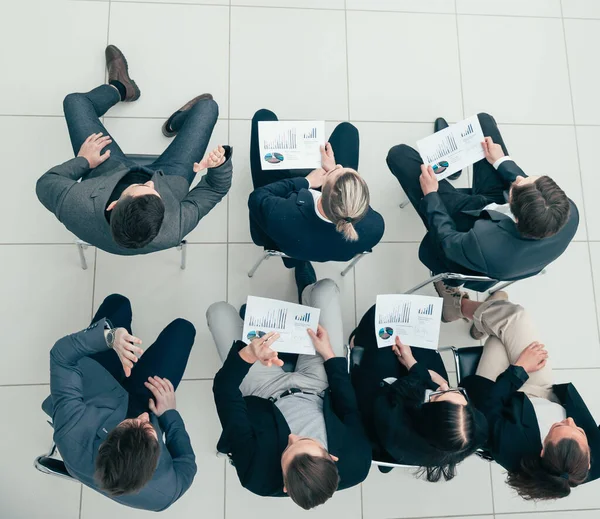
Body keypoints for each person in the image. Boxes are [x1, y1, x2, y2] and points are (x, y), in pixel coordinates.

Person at [36, 45, 232, 255]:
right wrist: (217, 165)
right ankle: (174, 124)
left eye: (141, 186)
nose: (150, 181)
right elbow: (215, 188)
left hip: (106, 169)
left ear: (112, 205)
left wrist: (84, 161)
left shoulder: (74, 206)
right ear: (163, 214)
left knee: (75, 102)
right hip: (172, 175)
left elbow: (45, 183)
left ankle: (121, 88)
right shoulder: (174, 227)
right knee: (208, 108)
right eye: (154, 190)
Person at [207, 278, 371, 510]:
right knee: (325, 289)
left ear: (284, 484)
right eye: (304, 440)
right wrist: (330, 357)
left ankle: (253, 328)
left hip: (262, 393)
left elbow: (224, 391)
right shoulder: (358, 462)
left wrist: (248, 356)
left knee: (218, 312)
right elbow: (349, 408)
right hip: (316, 385)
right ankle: (305, 296)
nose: (291, 437)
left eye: (286, 448)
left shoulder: (256, 475)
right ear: (332, 457)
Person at [386, 113, 578, 292]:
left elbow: (447, 240)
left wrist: (431, 196)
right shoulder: (567, 210)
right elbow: (527, 186)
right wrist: (501, 161)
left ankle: (444, 170)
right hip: (498, 210)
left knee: (399, 155)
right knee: (482, 122)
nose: (518, 178)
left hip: (466, 227)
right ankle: (449, 164)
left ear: (516, 217)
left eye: (517, 185)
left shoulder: (485, 244)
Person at [44, 294, 197, 510]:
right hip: (152, 401)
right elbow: (187, 463)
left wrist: (109, 338)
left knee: (118, 303)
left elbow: (61, 357)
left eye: (131, 423)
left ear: (108, 438)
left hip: (95, 385)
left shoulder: (71, 431)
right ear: (156, 461)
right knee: (184, 330)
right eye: (150, 429)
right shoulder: (166, 492)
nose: (144, 417)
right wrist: (169, 414)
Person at [452, 294, 600, 500]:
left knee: (506, 326)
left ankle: (459, 308)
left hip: (499, 395)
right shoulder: (589, 465)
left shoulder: (512, 449)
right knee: (511, 321)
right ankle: (487, 316)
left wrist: (519, 370)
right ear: (590, 461)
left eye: (557, 427)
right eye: (580, 431)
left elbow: (488, 405)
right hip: (543, 391)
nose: (570, 419)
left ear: (542, 451)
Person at [248, 109, 384, 300]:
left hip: (287, 230)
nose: (338, 166)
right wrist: (335, 173)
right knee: (348, 131)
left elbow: (257, 197)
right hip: (325, 243)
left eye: (336, 170)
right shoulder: (374, 227)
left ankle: (296, 262)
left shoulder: (281, 213)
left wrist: (305, 182)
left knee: (264, 118)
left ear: (324, 189)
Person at [349, 305, 488, 480]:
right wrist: (418, 367)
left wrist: (415, 367)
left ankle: (360, 339)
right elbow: (441, 386)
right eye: (456, 392)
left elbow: (391, 393)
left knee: (379, 318)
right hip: (411, 416)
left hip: (384, 398)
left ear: (425, 414)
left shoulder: (394, 425)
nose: (444, 386)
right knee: (417, 340)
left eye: (438, 395)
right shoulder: (471, 431)